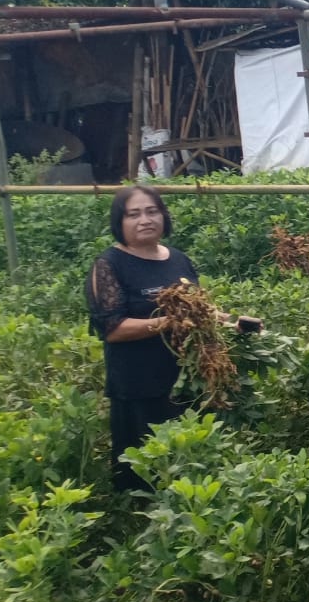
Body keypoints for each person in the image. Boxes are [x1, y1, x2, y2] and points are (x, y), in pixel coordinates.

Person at [84, 185, 260, 491]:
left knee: (190, 467)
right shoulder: (109, 264)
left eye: (152, 211)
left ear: (163, 215)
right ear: (119, 221)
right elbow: (113, 329)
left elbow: (199, 309)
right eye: (134, 214)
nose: (145, 220)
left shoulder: (177, 259)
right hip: (139, 385)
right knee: (147, 473)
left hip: (186, 378)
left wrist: (233, 323)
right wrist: (169, 322)